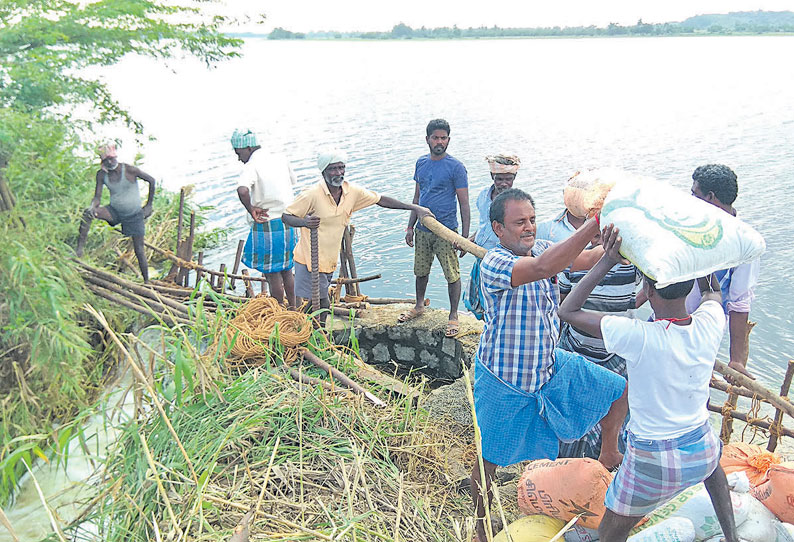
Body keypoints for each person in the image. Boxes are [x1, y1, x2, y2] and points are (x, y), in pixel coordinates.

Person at [558, 226, 739, 542]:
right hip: (700, 447)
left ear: (649, 291)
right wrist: (697, 257)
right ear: (685, 290)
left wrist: (607, 261)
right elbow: (713, 294)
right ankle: (732, 537)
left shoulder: (638, 335)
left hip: (652, 460)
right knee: (714, 466)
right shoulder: (710, 323)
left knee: (611, 532)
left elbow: (567, 310)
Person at [471, 188, 628, 542]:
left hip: (548, 367)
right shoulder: (494, 263)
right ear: (498, 228)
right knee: (488, 462)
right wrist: (592, 224)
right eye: (518, 223)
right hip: (505, 379)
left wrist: (622, 239)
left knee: (618, 388)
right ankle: (480, 526)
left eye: (531, 220)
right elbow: (544, 268)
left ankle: (608, 452)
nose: (528, 228)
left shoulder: (542, 247)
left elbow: (588, 260)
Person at [282, 150, 432, 324]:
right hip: (309, 258)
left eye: (341, 168)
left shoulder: (351, 192)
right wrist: (305, 223)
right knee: (322, 301)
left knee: (317, 301)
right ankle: (318, 335)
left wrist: (414, 208)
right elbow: (286, 217)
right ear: (324, 172)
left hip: (328, 260)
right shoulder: (312, 194)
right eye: (333, 169)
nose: (338, 173)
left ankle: (300, 327)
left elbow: (380, 200)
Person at [400, 119, 470, 337]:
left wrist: (464, 238)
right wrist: (410, 226)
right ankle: (419, 305)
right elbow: (417, 197)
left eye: (443, 138)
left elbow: (464, 203)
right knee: (421, 271)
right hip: (422, 229)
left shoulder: (456, 167)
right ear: (427, 139)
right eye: (435, 137)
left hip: (445, 230)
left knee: (452, 274)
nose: (439, 142)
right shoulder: (421, 163)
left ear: (448, 140)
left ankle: (453, 315)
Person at [689, 164, 758, 382]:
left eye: (694, 194)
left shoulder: (744, 242)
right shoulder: (689, 226)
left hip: (699, 337)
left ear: (710, 197)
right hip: (662, 323)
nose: (690, 200)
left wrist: (736, 359)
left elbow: (739, 302)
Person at [231, 129, 299, 307]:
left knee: (272, 274)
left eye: (239, 153)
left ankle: (279, 311)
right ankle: (293, 307)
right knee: (287, 270)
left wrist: (251, 208)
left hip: (267, 222)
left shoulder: (251, 166)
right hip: (288, 221)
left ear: (247, 148)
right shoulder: (280, 158)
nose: (239, 158)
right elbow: (292, 181)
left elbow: (242, 190)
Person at [76, 143, 155, 282]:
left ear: (116, 158)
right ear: (103, 162)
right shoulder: (102, 175)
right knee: (87, 214)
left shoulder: (129, 170)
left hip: (134, 214)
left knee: (139, 249)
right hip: (115, 212)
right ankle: (79, 250)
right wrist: (93, 207)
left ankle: (147, 281)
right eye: (106, 161)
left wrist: (148, 205)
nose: (110, 162)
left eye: (111, 159)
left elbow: (151, 180)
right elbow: (97, 197)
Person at [463, 154, 520, 320]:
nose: (503, 183)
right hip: (481, 257)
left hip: (502, 263)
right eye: (499, 178)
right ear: (492, 177)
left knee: (498, 305)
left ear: (514, 178)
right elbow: (483, 227)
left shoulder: (518, 203)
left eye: (508, 179)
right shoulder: (483, 196)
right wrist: (467, 242)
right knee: (479, 302)